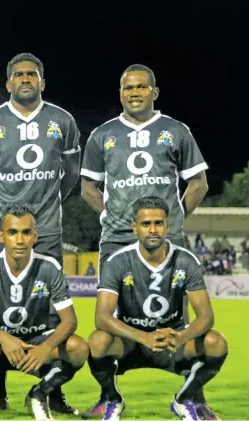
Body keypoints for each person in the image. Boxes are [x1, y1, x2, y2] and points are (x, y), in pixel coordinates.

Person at [79, 64, 213, 418]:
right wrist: (109, 216)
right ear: (120, 92)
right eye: (127, 88)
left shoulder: (175, 131)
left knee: (178, 325)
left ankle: (189, 397)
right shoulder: (102, 135)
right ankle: (110, 397)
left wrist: (175, 219)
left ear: (154, 92)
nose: (134, 92)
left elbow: (198, 183)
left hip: (167, 242)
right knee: (107, 325)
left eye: (141, 87)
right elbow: (88, 187)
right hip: (116, 240)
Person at [0, 52, 81, 414]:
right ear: (8, 83)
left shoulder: (62, 120)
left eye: (32, 74)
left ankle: (51, 389)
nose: (26, 79)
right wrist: (4, 207)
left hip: (46, 229)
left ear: (42, 82)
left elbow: (72, 173)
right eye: (18, 74)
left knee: (48, 313)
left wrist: (47, 203)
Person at [85, 197, 227, 420]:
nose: (153, 230)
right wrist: (143, 337)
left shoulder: (186, 260)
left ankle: (184, 399)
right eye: (146, 224)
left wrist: (182, 337)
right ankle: (112, 399)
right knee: (97, 341)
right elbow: (102, 317)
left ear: (167, 226)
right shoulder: (118, 261)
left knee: (216, 343)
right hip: (131, 343)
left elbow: (206, 316)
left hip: (172, 341)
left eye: (158, 223)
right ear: (135, 228)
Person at [0, 203, 88, 420]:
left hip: (35, 344)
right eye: (12, 232)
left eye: (26, 232)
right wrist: (3, 337)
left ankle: (39, 394)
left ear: (34, 236)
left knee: (79, 348)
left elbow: (70, 321)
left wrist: (46, 347)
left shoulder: (49, 267)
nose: (19, 240)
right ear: (1, 236)